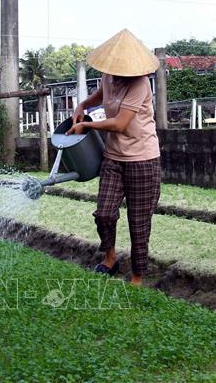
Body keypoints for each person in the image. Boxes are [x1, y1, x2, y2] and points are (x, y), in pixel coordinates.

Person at [66, 29, 161, 287]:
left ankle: (138, 275)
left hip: (142, 160)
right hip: (113, 158)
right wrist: (82, 106)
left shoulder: (140, 84)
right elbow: (99, 97)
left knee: (138, 222)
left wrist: (86, 126)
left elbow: (120, 124)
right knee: (105, 214)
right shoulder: (108, 77)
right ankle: (110, 258)